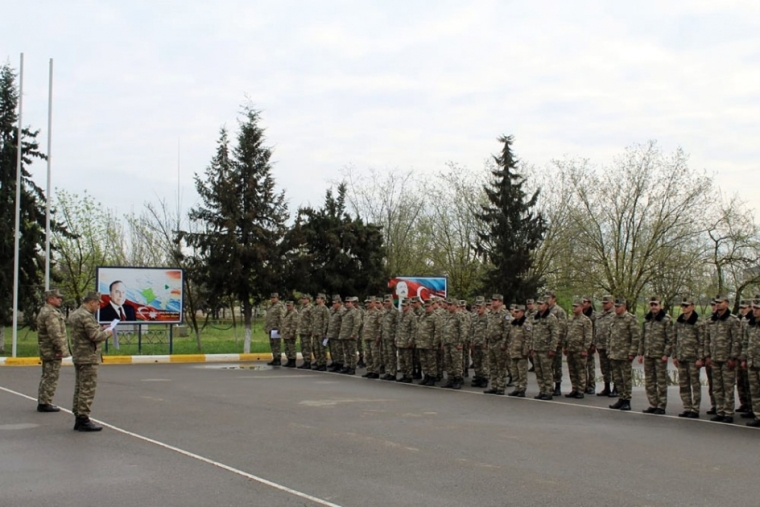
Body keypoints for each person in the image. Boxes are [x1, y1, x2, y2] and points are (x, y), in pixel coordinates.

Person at [69, 291, 114, 432]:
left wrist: (101, 328)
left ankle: (78, 415)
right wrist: (107, 332)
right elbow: (95, 336)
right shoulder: (86, 316)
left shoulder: (76, 314)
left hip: (79, 355)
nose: (99, 306)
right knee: (87, 388)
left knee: (80, 387)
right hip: (88, 357)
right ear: (92, 302)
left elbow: (86, 332)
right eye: (98, 303)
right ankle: (83, 418)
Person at [705, 294, 741, 423]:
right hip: (714, 358)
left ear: (727, 303)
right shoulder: (711, 320)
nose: (718, 304)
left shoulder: (733, 320)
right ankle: (719, 411)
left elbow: (736, 341)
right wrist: (707, 355)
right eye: (716, 302)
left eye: (720, 302)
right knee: (717, 386)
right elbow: (707, 339)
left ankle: (728, 412)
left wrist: (733, 357)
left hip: (726, 359)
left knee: (728, 386)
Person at [638, 297, 673, 414]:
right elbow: (642, 338)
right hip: (648, 354)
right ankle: (653, 403)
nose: (653, 307)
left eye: (655, 304)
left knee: (661, 381)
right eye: (651, 304)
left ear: (660, 305)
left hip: (659, 355)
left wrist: (666, 354)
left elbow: (670, 339)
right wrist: (640, 353)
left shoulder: (666, 320)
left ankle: (661, 405)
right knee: (649, 381)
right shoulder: (646, 320)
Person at [36, 289, 69, 412]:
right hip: (52, 350)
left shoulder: (47, 311)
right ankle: (45, 403)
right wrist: (61, 349)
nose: (60, 299)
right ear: (50, 299)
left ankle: (44, 401)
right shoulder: (50, 313)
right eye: (57, 297)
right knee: (51, 376)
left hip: (47, 349)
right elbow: (55, 334)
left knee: (47, 375)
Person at [673, 296, 704, 418]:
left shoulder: (698, 322)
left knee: (695, 384)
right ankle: (687, 407)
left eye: (687, 306)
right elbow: (675, 339)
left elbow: (702, 341)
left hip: (693, 358)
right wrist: (675, 356)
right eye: (683, 306)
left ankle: (695, 409)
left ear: (692, 307)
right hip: (681, 357)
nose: (684, 308)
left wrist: (700, 358)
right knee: (683, 384)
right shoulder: (679, 322)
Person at [608, 299, 641, 411]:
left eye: (618, 306)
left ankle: (627, 400)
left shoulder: (630, 319)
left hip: (625, 354)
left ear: (624, 307)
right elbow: (610, 336)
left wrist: (632, 353)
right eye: (615, 306)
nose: (616, 308)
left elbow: (635, 337)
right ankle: (621, 398)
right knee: (617, 378)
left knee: (626, 378)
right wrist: (609, 350)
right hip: (614, 353)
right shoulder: (613, 318)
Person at [530, 297, 559, 400]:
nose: (539, 306)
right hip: (536, 348)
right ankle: (542, 390)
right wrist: (531, 347)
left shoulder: (551, 318)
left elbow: (555, 334)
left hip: (546, 349)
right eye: (538, 304)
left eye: (541, 304)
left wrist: (552, 349)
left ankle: (549, 391)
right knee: (538, 371)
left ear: (546, 306)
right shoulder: (535, 317)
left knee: (546, 372)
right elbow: (532, 333)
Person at [564, 299, 592, 399]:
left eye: (576, 306)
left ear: (581, 307)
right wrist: (565, 346)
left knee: (580, 370)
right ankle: (574, 388)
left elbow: (588, 336)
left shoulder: (586, 320)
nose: (574, 308)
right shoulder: (570, 319)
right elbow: (567, 334)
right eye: (573, 306)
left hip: (580, 349)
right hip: (571, 348)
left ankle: (581, 390)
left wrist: (585, 349)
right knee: (572, 370)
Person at [741, 299, 760, 427]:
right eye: (754, 308)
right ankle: (758, 415)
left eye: (757, 308)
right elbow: (745, 343)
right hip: (752, 362)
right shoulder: (750, 325)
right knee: (755, 391)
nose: (755, 310)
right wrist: (744, 358)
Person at [545, 291, 568, 397]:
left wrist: (560, 342)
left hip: (556, 343)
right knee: (547, 367)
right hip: (545, 343)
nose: (547, 300)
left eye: (548, 298)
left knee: (557, 366)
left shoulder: (559, 311)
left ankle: (558, 386)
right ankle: (548, 387)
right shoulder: (543, 310)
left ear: (554, 299)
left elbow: (562, 328)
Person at [506, 304, 531, 397]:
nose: (515, 313)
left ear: (522, 312)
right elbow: (510, 337)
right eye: (514, 312)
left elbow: (528, 338)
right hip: (513, 351)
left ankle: (522, 389)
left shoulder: (526, 323)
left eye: (517, 312)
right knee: (514, 372)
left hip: (521, 352)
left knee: (522, 372)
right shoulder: (513, 323)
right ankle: (516, 387)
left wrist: (525, 351)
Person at [595, 295, 617, 397]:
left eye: (606, 303)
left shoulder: (615, 315)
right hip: (601, 345)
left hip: (611, 346)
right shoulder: (600, 315)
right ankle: (607, 387)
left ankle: (616, 388)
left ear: (612, 303)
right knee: (604, 368)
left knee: (614, 368)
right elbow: (596, 329)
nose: (604, 305)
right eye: (603, 303)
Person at [309, 293, 330, 371]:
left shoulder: (325, 309)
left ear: (323, 300)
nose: (317, 299)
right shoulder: (315, 308)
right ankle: (318, 362)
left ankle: (323, 364)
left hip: (321, 332)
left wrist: (325, 332)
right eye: (317, 298)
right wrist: (312, 330)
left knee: (322, 349)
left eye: (319, 298)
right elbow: (312, 320)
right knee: (316, 348)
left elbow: (326, 321)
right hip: (315, 331)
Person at [265, 293, 287, 366]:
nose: (272, 299)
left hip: (276, 328)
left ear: (277, 298)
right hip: (271, 328)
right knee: (272, 344)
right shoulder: (271, 306)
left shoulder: (280, 306)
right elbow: (268, 318)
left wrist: (280, 328)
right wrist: (266, 327)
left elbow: (282, 317)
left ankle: (278, 359)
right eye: (271, 298)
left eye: (274, 297)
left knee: (276, 344)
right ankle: (275, 357)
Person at [297, 294, 314, 369]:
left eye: (305, 299)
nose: (303, 300)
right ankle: (305, 360)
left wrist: (310, 329)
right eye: (302, 299)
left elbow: (312, 319)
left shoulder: (310, 308)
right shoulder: (302, 307)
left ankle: (308, 361)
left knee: (307, 347)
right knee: (303, 346)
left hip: (307, 330)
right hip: (302, 330)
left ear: (308, 300)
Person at [281, 301, 299, 368]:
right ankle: (289, 360)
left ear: (293, 306)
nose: (288, 307)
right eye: (287, 306)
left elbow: (294, 324)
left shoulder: (294, 313)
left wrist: (292, 333)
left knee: (291, 348)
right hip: (286, 333)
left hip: (290, 333)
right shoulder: (287, 313)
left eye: (289, 306)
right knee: (287, 347)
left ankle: (292, 361)